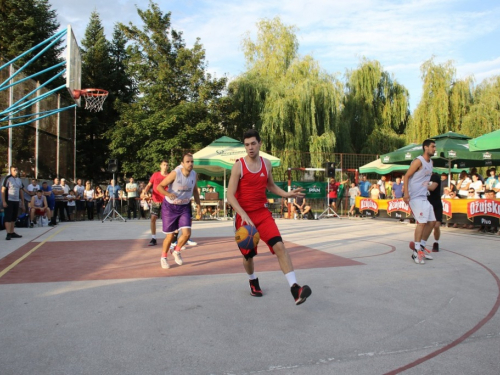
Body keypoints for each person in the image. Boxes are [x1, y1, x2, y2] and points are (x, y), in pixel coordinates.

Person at [227, 129, 312, 305]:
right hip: (244, 218)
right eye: (247, 144)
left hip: (262, 214)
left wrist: (287, 195)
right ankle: (252, 280)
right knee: (248, 256)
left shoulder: (266, 164)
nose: (250, 147)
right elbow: (230, 195)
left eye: (253, 143)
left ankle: (295, 288)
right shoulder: (239, 166)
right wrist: (242, 214)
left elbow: (271, 185)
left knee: (280, 246)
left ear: (260, 144)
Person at [156, 154, 201, 269]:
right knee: (170, 236)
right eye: (187, 162)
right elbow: (160, 187)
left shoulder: (194, 174)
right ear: (182, 163)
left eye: (192, 162)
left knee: (187, 234)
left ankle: (176, 251)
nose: (190, 164)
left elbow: (195, 191)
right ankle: (164, 257)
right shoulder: (175, 173)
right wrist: (168, 194)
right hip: (170, 207)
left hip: (184, 206)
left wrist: (199, 206)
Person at [403, 139, 436, 264]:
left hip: (424, 196)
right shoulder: (418, 161)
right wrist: (406, 193)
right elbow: (406, 176)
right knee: (421, 222)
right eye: (433, 147)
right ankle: (416, 252)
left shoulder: (431, 162)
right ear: (426, 147)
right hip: (415, 197)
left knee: (432, 222)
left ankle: (421, 247)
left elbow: (424, 180)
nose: (434, 149)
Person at [142, 160, 169, 246]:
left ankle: (169, 238)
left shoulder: (169, 176)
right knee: (153, 218)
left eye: (167, 165)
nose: (165, 166)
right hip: (155, 200)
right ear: (160, 166)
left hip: (166, 200)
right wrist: (144, 191)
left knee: (167, 220)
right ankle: (154, 238)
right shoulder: (155, 175)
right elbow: (149, 185)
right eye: (164, 165)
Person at [420, 172, 442, 252]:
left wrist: (420, 185)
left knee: (436, 225)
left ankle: (436, 242)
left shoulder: (435, 177)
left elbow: (432, 187)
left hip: (436, 205)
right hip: (426, 205)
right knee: (424, 225)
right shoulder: (422, 177)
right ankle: (422, 243)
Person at [2, 166, 25, 240]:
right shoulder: (8, 179)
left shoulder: (19, 180)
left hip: (16, 200)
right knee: (8, 217)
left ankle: (12, 232)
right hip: (9, 200)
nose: (15, 171)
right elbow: (3, 190)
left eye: (16, 170)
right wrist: (4, 201)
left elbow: (21, 190)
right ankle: (8, 233)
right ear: (11, 171)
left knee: (13, 217)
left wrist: (22, 202)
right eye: (14, 170)